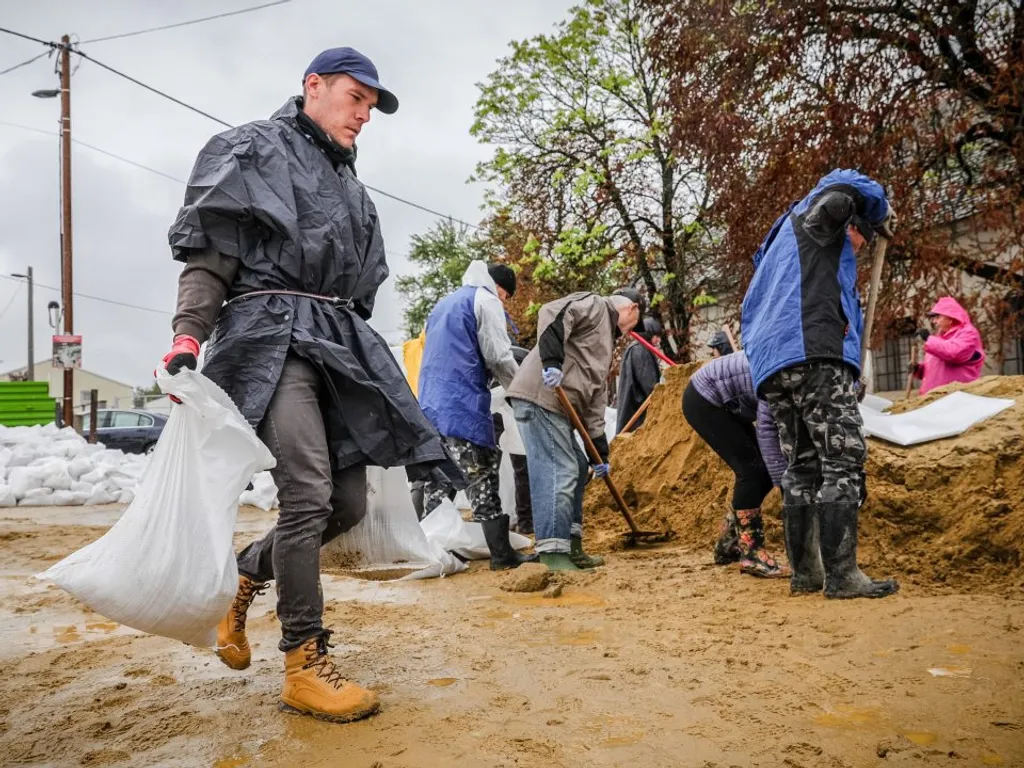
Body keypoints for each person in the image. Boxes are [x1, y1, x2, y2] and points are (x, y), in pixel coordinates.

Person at [162, 47, 465, 724]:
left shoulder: (356, 195)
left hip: (333, 344)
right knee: (307, 491)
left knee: (347, 504)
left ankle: (245, 576)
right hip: (268, 336)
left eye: (371, 106)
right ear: (313, 86)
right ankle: (303, 661)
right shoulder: (252, 149)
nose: (364, 115)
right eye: (356, 98)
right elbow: (212, 255)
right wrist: (188, 333)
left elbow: (357, 292)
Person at [741, 168, 899, 600]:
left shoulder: (776, 253)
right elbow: (842, 184)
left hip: (776, 366)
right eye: (862, 237)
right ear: (852, 225)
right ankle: (843, 575)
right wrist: (880, 208)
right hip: (812, 351)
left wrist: (849, 368)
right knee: (842, 456)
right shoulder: (817, 220)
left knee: (803, 465)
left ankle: (806, 574)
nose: (861, 248)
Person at [506, 289, 642, 571]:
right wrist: (553, 362)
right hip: (540, 397)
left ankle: (572, 546)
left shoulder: (605, 343)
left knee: (578, 466)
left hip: (558, 409)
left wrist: (599, 455)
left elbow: (594, 404)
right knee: (560, 468)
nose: (631, 332)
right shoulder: (595, 305)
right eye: (635, 322)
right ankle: (553, 555)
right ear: (632, 309)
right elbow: (552, 313)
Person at [418, 262, 536, 570]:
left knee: (439, 479)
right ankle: (501, 555)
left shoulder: (445, 303)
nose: (505, 302)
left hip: (430, 404)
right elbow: (498, 356)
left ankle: (435, 548)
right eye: (507, 297)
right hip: (461, 403)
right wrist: (521, 393)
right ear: (500, 289)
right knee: (481, 472)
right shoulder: (485, 301)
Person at [682, 351, 787, 577]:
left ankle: (729, 543)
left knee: (761, 472)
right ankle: (751, 554)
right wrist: (781, 483)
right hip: (704, 398)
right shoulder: (780, 377)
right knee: (752, 470)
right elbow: (768, 433)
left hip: (726, 399)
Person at [909, 297, 985, 395]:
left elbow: (955, 353)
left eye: (937, 317)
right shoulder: (940, 339)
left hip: (955, 398)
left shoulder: (968, 333)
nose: (934, 322)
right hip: (933, 398)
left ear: (950, 318)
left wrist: (929, 339)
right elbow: (938, 368)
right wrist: (918, 369)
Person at [615, 317, 663, 434]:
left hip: (633, 409)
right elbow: (650, 386)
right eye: (656, 336)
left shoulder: (637, 348)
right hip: (637, 412)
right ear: (648, 334)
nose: (658, 340)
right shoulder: (640, 351)